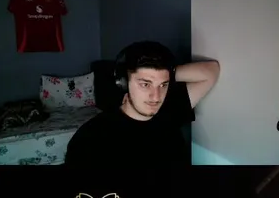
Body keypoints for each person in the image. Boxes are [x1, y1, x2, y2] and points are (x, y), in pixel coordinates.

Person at [66, 41, 220, 167]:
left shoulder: (169, 108)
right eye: (145, 84)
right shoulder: (91, 138)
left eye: (163, 85)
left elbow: (211, 71)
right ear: (123, 83)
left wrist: (167, 73)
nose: (156, 97)